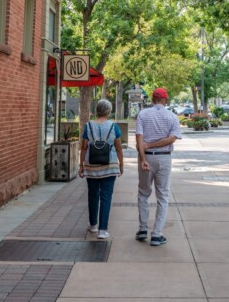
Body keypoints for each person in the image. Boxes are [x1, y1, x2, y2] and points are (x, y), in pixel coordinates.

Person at [135, 88, 182, 246]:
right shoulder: (172, 116)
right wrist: (153, 145)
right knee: (162, 196)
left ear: (153, 99)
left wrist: (143, 157)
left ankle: (142, 229)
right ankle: (156, 234)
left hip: (146, 156)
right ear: (165, 100)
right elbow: (172, 139)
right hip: (163, 158)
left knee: (143, 193)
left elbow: (139, 138)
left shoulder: (143, 114)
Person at [78, 99, 124, 239]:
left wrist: (81, 166)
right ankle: (103, 230)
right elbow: (118, 147)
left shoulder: (88, 125)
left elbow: (84, 146)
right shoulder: (113, 126)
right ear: (109, 111)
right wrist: (121, 164)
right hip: (109, 165)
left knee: (93, 195)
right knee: (106, 196)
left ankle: (93, 225)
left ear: (97, 110)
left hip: (91, 166)